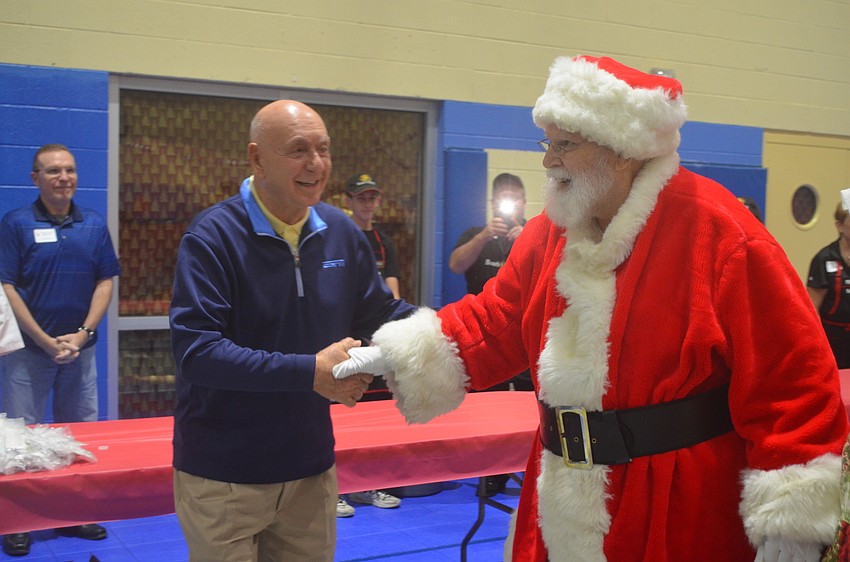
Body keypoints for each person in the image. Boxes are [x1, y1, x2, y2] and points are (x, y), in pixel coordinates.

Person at [335, 55, 849, 561]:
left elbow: (792, 379)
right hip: (559, 493)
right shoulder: (549, 233)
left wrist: (793, 522)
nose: (547, 160)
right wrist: (396, 352)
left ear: (622, 151)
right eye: (548, 143)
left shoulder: (721, 234)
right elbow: (498, 320)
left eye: (565, 145)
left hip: (674, 508)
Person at [169, 100, 415, 562]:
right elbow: (196, 352)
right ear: (257, 157)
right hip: (224, 477)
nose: (316, 164)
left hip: (309, 471)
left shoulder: (342, 233)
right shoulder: (213, 237)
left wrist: (450, 329)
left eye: (323, 149)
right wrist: (310, 373)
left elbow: (380, 313)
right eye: (299, 150)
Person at [0, 144, 121, 557]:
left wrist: (83, 333)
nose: (63, 177)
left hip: (80, 352)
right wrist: (42, 339)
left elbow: (106, 281)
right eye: (53, 171)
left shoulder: (93, 224)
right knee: (20, 441)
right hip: (28, 353)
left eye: (69, 170)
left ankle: (77, 513)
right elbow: (7, 285)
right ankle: (16, 524)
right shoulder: (15, 223)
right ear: (35, 178)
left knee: (80, 438)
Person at [448, 172, 533, 497]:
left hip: (527, 343)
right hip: (487, 343)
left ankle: (530, 469)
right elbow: (456, 265)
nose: (510, 204)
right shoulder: (477, 234)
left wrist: (526, 240)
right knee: (487, 411)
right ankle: (490, 475)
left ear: (524, 203)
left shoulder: (537, 235)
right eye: (503, 198)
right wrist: (484, 235)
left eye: (515, 197)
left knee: (530, 410)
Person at [336, 173, 402, 517]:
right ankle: (337, 487)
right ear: (349, 200)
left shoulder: (382, 241)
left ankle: (368, 483)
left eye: (373, 197)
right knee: (341, 412)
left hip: (374, 337)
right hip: (343, 339)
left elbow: (392, 291)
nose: (367, 203)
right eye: (361, 197)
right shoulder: (337, 236)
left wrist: (395, 332)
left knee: (372, 414)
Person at [807, 202, 850, 369]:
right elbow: (812, 307)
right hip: (833, 342)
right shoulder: (824, 258)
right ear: (840, 226)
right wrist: (819, 343)